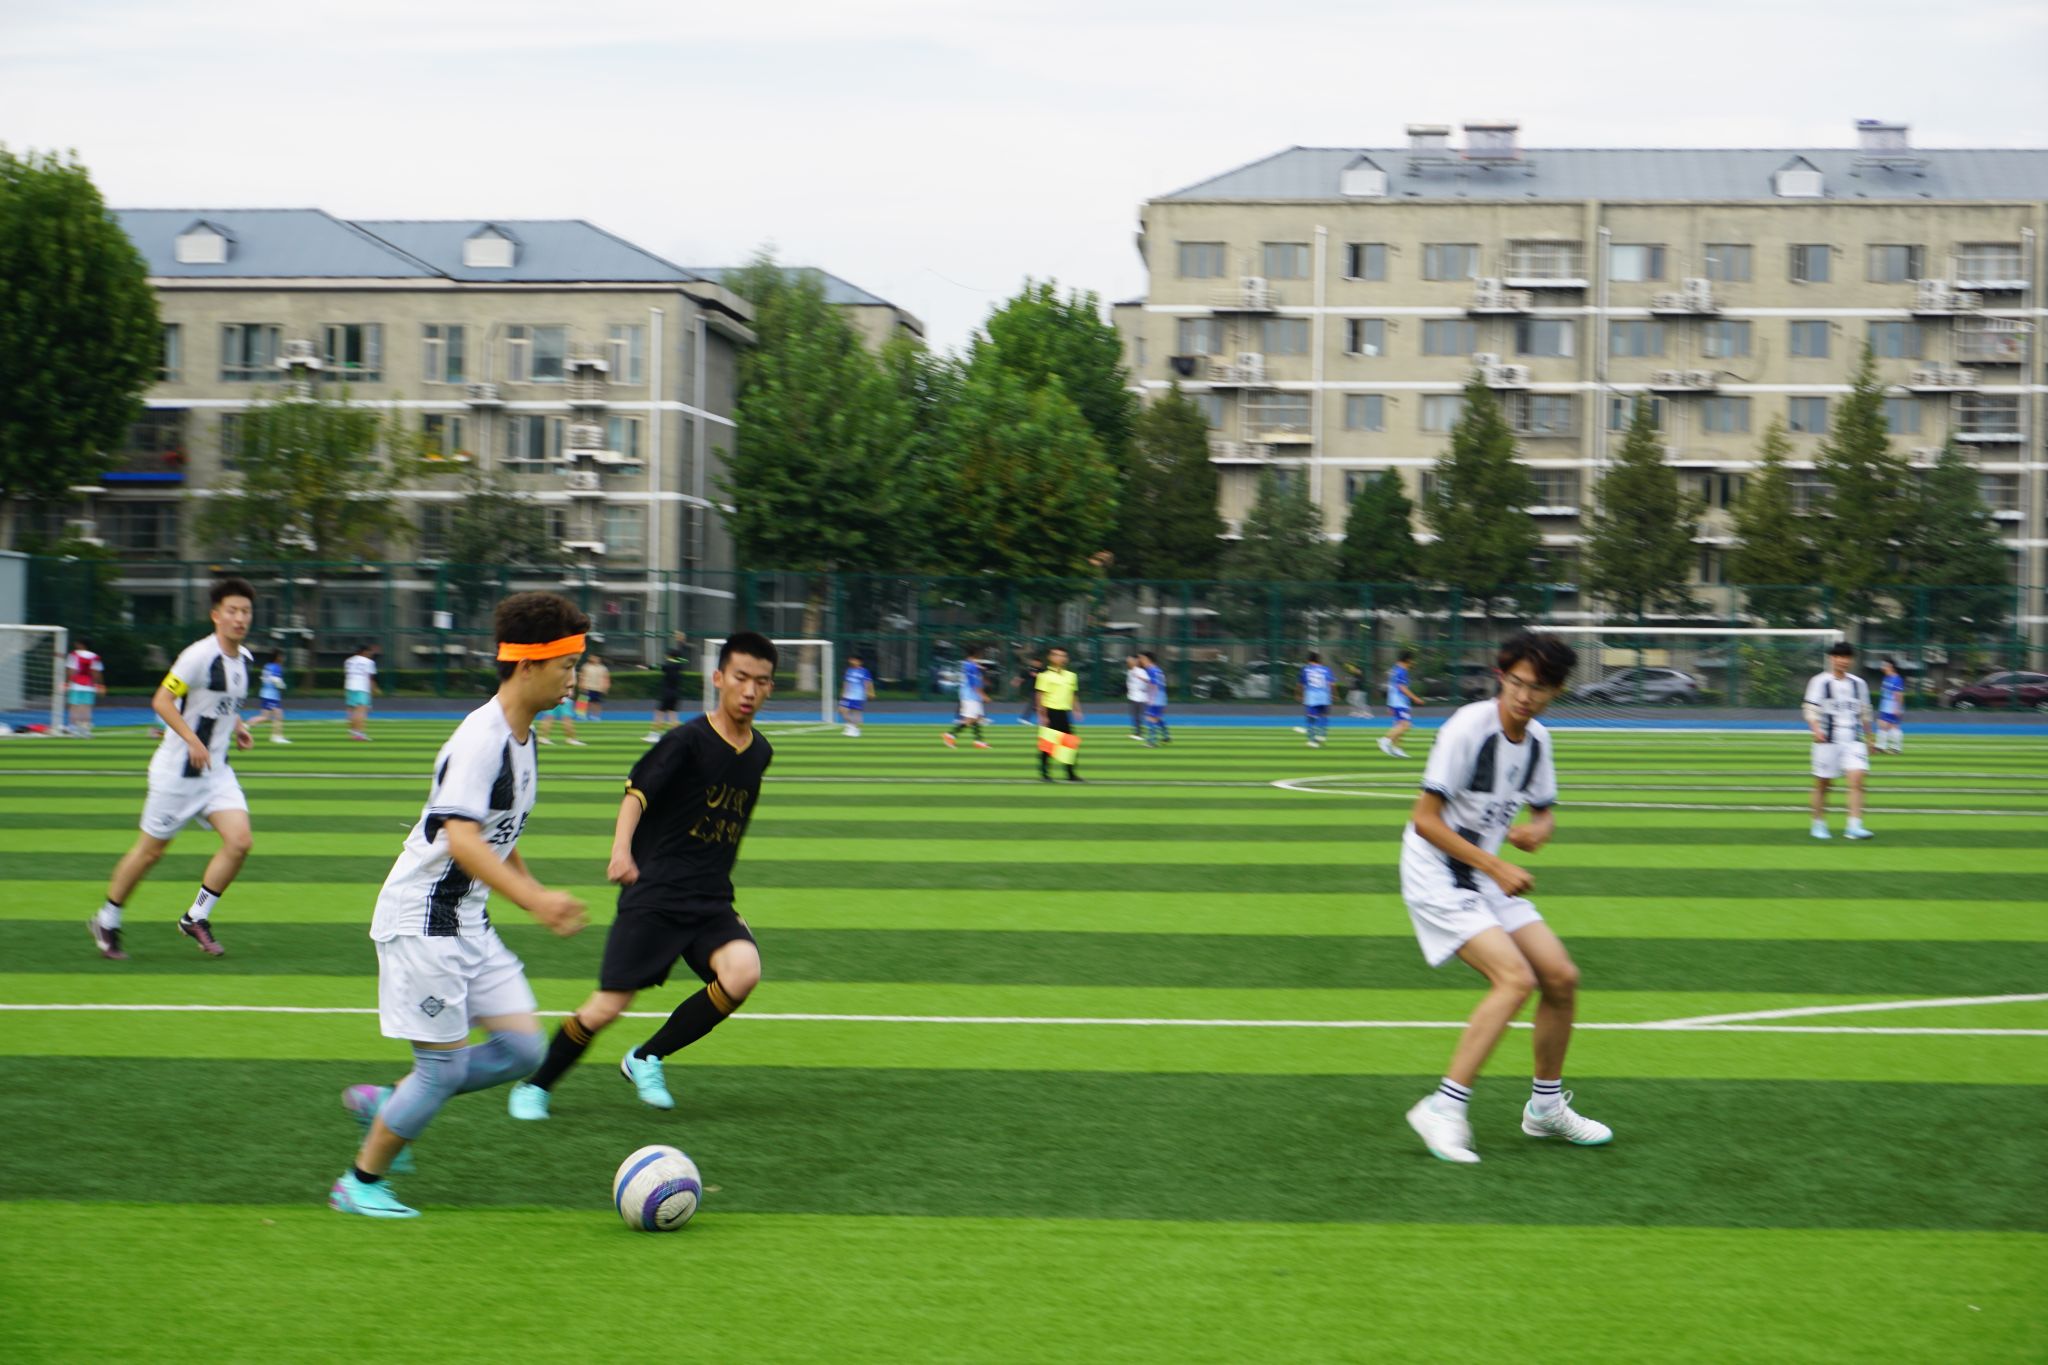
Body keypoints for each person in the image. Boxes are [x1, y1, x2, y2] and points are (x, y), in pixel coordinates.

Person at [328, 592, 590, 1218]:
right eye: (566, 665)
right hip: (424, 921)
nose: (574, 678)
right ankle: (359, 1184)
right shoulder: (482, 739)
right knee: (439, 1073)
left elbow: (500, 833)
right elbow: (463, 839)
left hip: (466, 919)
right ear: (527, 665)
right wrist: (535, 900)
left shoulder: (523, 739)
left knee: (523, 1051)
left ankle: (392, 1100)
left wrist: (530, 890)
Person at [509, 632, 776, 1121]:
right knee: (608, 1006)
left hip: (710, 898)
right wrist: (621, 853)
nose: (749, 690)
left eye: (761, 682)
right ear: (718, 678)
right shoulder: (686, 740)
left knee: (743, 972)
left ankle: (646, 1057)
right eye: (741, 678)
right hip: (656, 892)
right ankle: (536, 1085)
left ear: (769, 688)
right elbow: (637, 794)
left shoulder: (760, 752)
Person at [1400, 630, 1611, 1165]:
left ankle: (1545, 1109)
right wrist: (1496, 863)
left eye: (1537, 687)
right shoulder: (1467, 728)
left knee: (1560, 977)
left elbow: (1543, 812)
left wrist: (1539, 830)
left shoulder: (1538, 739)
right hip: (1437, 872)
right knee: (1515, 978)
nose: (1523, 695)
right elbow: (1425, 820)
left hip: (1482, 873)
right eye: (1515, 682)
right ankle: (1443, 1108)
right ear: (1501, 677)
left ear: (1555, 691)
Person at [90, 578, 258, 962]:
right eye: (232, 610)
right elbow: (162, 701)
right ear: (216, 615)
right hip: (177, 774)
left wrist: (239, 726)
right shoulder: (197, 656)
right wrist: (192, 740)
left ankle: (195, 917)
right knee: (151, 852)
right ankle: (107, 919)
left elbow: (222, 704)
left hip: (216, 773)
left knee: (240, 842)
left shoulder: (244, 659)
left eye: (245, 611)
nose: (239, 618)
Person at [1806, 641, 1875, 840]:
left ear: (1851, 660)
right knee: (1823, 783)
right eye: (1838, 657)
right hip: (1827, 740)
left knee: (1858, 779)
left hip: (1853, 739)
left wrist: (1870, 737)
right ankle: (1818, 823)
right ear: (1832, 659)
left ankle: (1854, 826)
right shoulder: (1819, 681)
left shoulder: (1859, 684)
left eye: (1846, 657)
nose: (1842, 661)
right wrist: (1816, 729)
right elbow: (1810, 709)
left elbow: (1865, 712)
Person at [1035, 646, 1083, 783]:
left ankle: (1070, 774)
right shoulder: (1044, 676)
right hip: (1051, 712)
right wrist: (1042, 715)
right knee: (1048, 745)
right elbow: (1040, 696)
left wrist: (1077, 709)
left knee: (1070, 745)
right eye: (1057, 655)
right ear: (1050, 657)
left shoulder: (1071, 676)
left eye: (1063, 656)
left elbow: (1073, 694)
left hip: (1064, 713)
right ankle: (1045, 773)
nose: (1060, 658)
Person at [944, 644, 991, 749]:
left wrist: (979, 668)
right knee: (970, 719)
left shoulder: (968, 664)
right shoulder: (971, 666)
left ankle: (978, 741)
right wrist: (984, 695)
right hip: (971, 696)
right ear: (977, 654)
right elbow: (973, 684)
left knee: (977, 718)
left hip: (971, 695)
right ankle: (950, 735)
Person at [646, 634, 688, 742]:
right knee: (673, 717)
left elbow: (656, 667)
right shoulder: (679, 665)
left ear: (669, 656)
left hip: (667, 694)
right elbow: (682, 655)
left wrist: (647, 666)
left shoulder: (668, 666)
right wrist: (681, 643)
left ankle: (654, 735)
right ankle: (680, 737)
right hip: (676, 694)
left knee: (658, 714)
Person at [1380, 650, 1418, 758]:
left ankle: (1397, 749)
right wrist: (1415, 698)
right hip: (1400, 702)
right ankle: (1385, 740)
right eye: (1412, 660)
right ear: (1408, 660)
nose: (1413, 663)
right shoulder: (1402, 671)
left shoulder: (1394, 670)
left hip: (1395, 702)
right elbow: (1402, 688)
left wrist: (1390, 704)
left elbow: (1391, 687)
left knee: (1399, 725)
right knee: (1406, 725)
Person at [64, 638, 105, 736]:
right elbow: (96, 672)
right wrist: (99, 685)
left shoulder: (73, 655)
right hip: (89, 686)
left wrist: (67, 683)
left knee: (74, 707)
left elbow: (71, 670)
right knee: (86, 708)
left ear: (81, 645)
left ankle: (73, 728)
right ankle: (85, 730)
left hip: (75, 685)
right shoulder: (95, 656)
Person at [343, 643, 380, 742]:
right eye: (370, 651)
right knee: (361, 712)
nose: (371, 653)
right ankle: (359, 734)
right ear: (364, 652)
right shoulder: (369, 662)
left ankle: (353, 733)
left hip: (349, 687)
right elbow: (370, 678)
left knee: (352, 712)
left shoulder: (349, 661)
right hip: (362, 688)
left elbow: (347, 675)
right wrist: (375, 689)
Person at [1300, 652, 1335, 748]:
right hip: (1324, 696)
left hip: (1312, 697)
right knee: (1323, 715)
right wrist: (1334, 694)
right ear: (1319, 660)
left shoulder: (1306, 669)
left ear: (1309, 660)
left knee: (1310, 718)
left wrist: (1299, 694)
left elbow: (1302, 684)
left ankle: (1312, 740)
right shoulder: (1326, 669)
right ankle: (1322, 735)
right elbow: (1331, 684)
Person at [1875, 657, 1906, 754]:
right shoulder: (1886, 678)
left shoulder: (1897, 679)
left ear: (1890, 666)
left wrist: (1898, 708)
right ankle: (1881, 746)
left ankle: (1895, 748)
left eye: (1884, 665)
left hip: (1893, 706)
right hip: (1885, 705)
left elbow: (1899, 694)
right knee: (1882, 724)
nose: (1882, 666)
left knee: (1893, 726)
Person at [259, 648, 290, 744]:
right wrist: (283, 686)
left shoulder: (267, 666)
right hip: (271, 695)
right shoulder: (276, 667)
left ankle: (277, 736)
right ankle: (276, 737)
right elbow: (275, 680)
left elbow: (263, 678)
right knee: (276, 716)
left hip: (267, 693)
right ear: (277, 657)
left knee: (270, 716)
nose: (283, 658)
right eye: (281, 656)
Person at [839, 654, 874, 737]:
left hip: (858, 695)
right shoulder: (849, 670)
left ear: (859, 662)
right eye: (851, 659)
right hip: (848, 695)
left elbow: (868, 682)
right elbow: (846, 682)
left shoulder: (864, 671)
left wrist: (870, 692)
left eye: (853, 660)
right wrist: (843, 692)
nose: (851, 661)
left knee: (856, 713)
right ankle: (851, 726)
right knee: (842, 710)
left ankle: (855, 729)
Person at [1141, 651, 1171, 746]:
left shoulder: (1151, 670)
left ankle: (1152, 742)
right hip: (1160, 697)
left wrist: (1144, 680)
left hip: (1155, 697)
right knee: (1156, 718)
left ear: (1148, 659)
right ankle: (1166, 736)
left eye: (1142, 659)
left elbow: (1154, 683)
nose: (1141, 661)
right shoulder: (1157, 670)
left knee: (1150, 718)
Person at [1125, 654, 1152, 741]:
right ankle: (1137, 733)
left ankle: (1140, 733)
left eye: (1130, 660)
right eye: (1128, 661)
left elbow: (1148, 681)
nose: (1128, 662)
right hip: (1132, 696)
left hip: (1140, 697)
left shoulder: (1140, 671)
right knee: (1135, 715)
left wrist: (1140, 678)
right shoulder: (1130, 671)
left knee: (1140, 716)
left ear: (1135, 662)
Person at [579, 652, 611, 722]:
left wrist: (606, 687)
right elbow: (582, 676)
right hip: (587, 687)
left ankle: (595, 716)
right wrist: (581, 685)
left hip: (598, 688)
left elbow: (606, 678)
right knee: (583, 701)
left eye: (595, 657)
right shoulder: (586, 666)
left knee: (596, 702)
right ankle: (580, 715)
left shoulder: (603, 668)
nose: (593, 659)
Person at [1014, 653, 1044, 726]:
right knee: (1033, 704)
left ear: (1040, 663)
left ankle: (1040, 720)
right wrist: (1017, 681)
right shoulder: (1030, 670)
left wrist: (1038, 675)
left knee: (1038, 706)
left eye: (1038, 662)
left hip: (1043, 690)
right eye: (1035, 662)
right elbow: (1022, 676)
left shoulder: (1043, 670)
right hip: (1034, 690)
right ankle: (1024, 719)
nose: (1036, 663)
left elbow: (1046, 677)